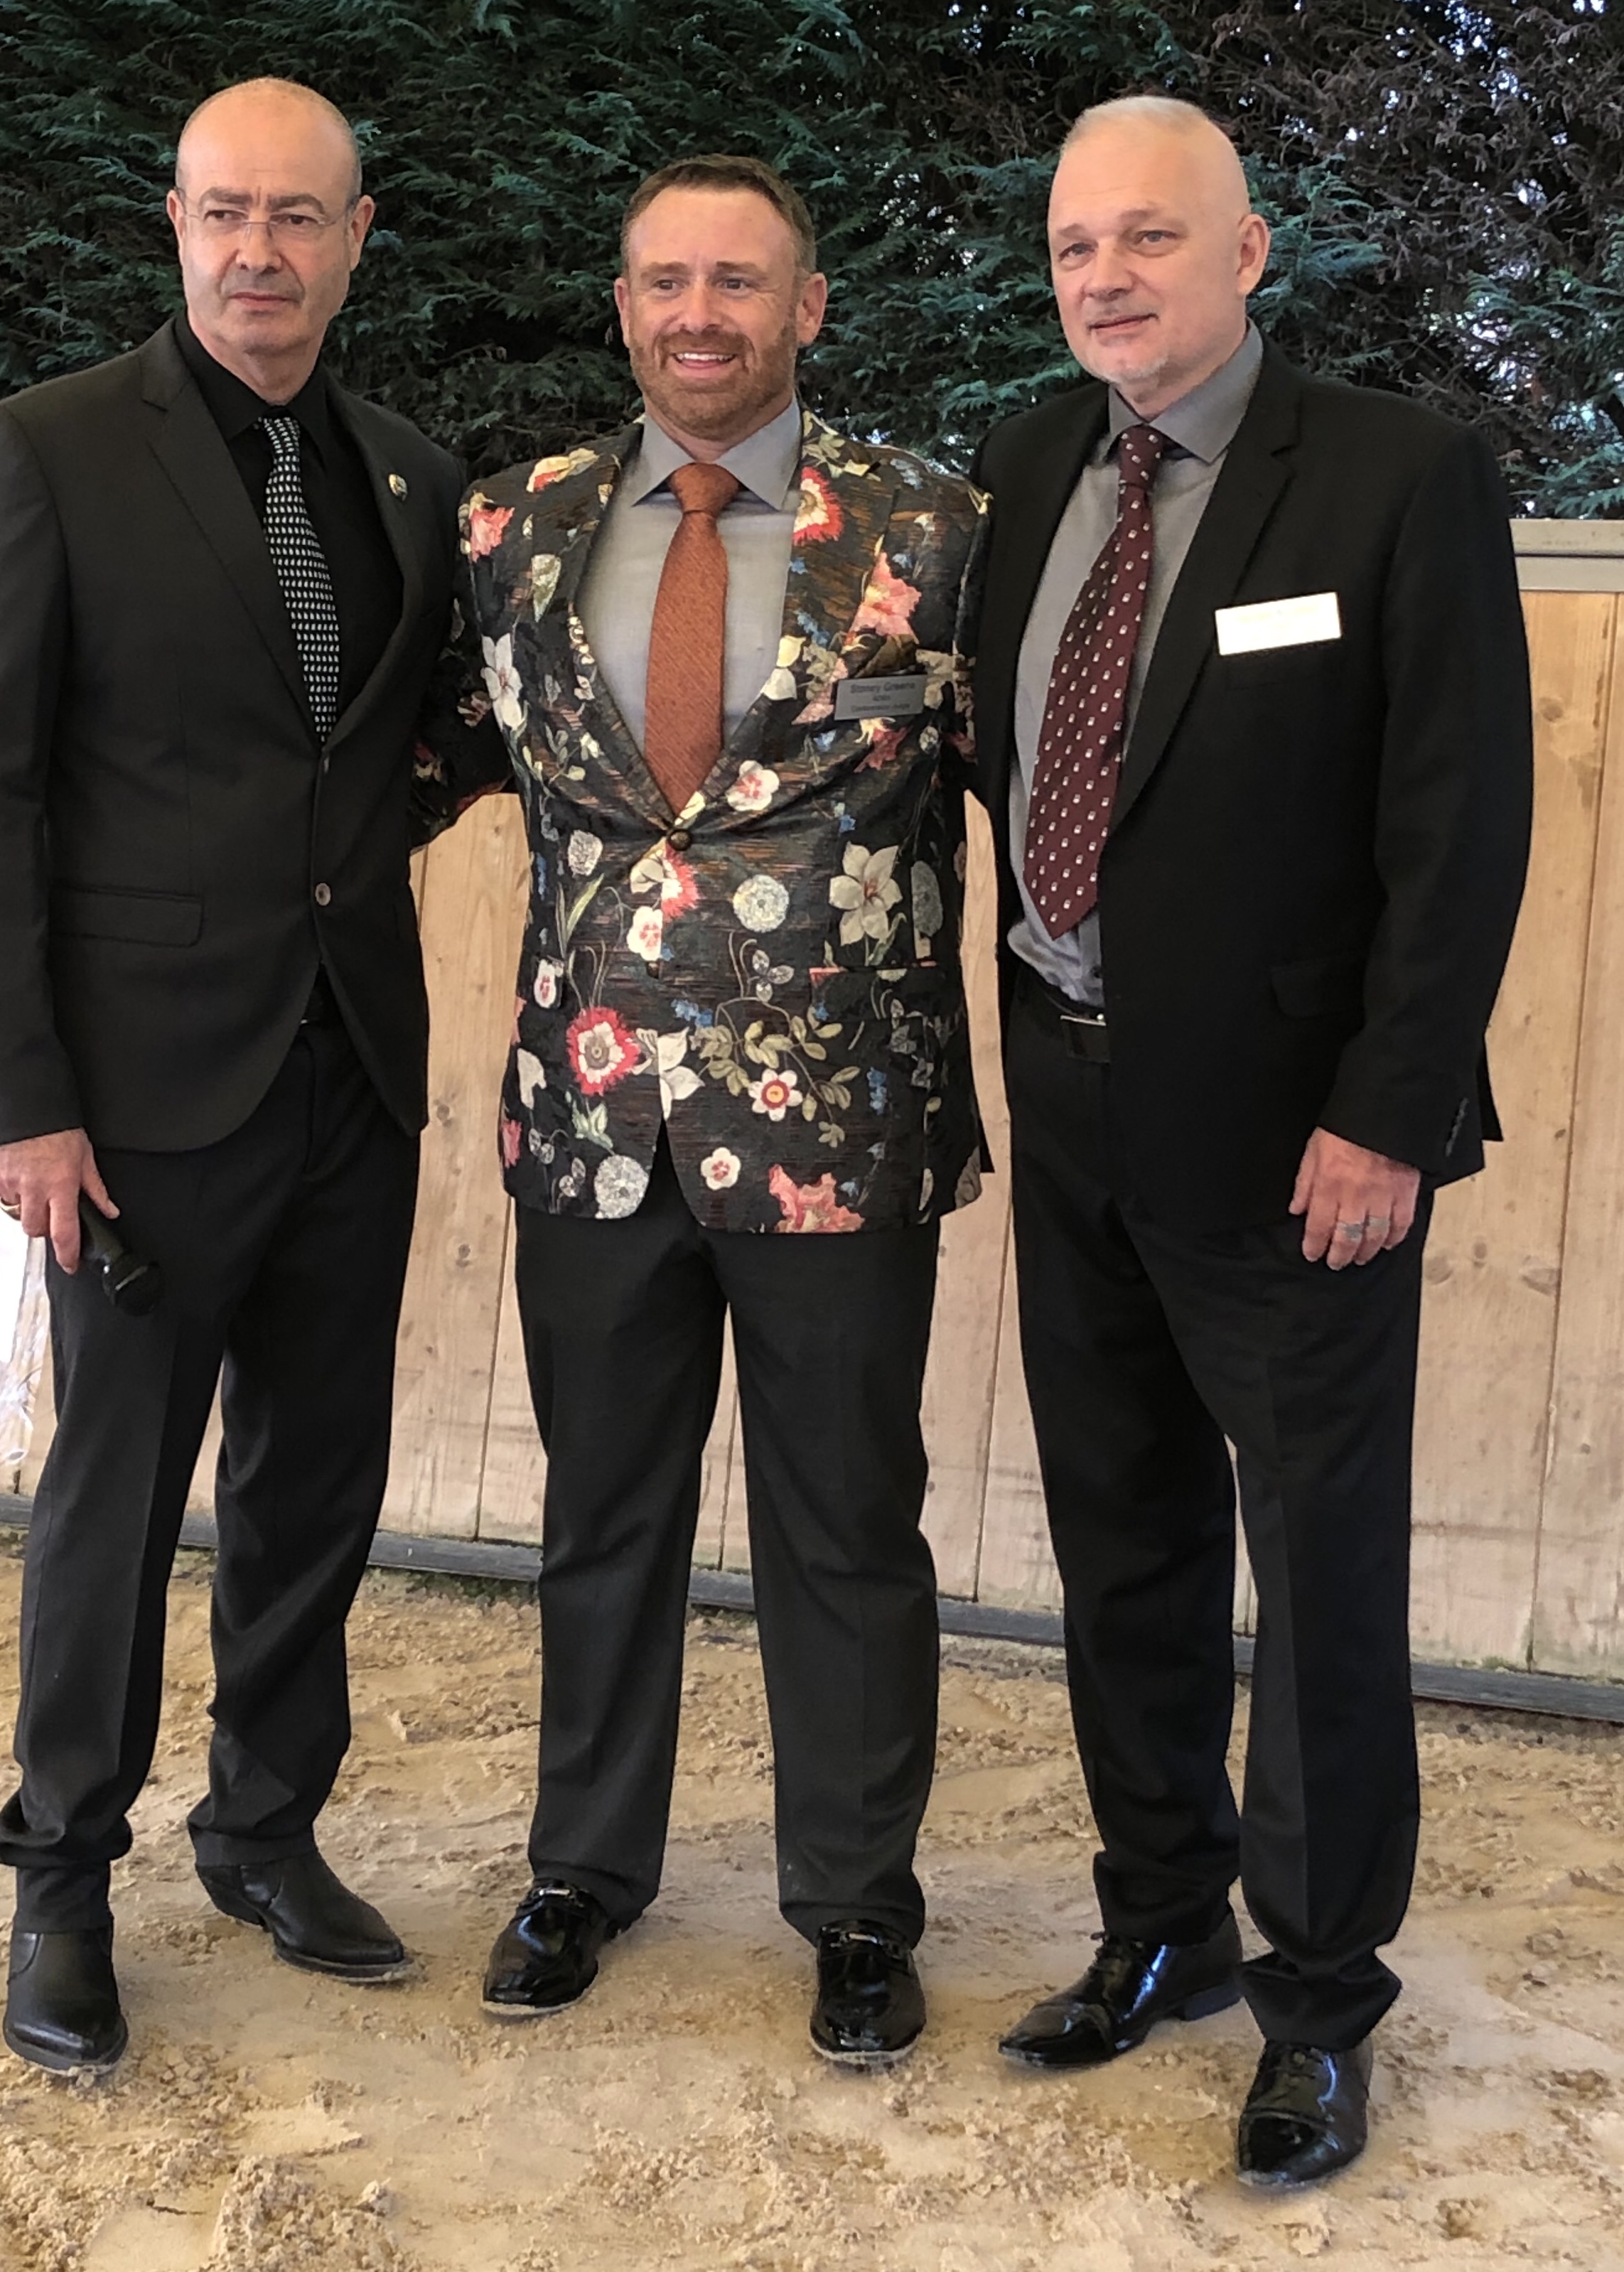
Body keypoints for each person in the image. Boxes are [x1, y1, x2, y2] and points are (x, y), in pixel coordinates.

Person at [972, 97, 1532, 2182]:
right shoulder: (1031, 463)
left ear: (1247, 251)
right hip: (1072, 1096)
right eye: (1072, 246)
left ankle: (1317, 2001)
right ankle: (1161, 1924)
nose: (1104, 278)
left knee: (1315, 1575)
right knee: (1120, 1538)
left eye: (1147, 237)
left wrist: (1387, 1113)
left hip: (1304, 1148)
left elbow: (1459, 827)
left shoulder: (1395, 474)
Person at [0, 77, 494, 2075]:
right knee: (115, 1496)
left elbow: (410, 749)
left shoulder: (409, 475)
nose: (260, 250)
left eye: (298, 216)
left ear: (356, 238)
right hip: (131, 1101)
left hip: (351, 1072)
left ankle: (262, 1830)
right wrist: (16, 1094)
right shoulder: (46, 451)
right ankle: (62, 1873)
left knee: (313, 1481)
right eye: (225, 211)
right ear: (174, 223)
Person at [457, 155, 985, 2064]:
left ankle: (855, 1903)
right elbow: (423, 759)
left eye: (739, 281)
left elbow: (1051, 780)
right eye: (666, 281)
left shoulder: (933, 525)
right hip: (590, 1116)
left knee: (847, 1522)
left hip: (841, 1121)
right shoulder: (511, 528)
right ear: (622, 307)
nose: (701, 314)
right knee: (602, 1512)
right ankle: (583, 1869)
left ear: (806, 306)